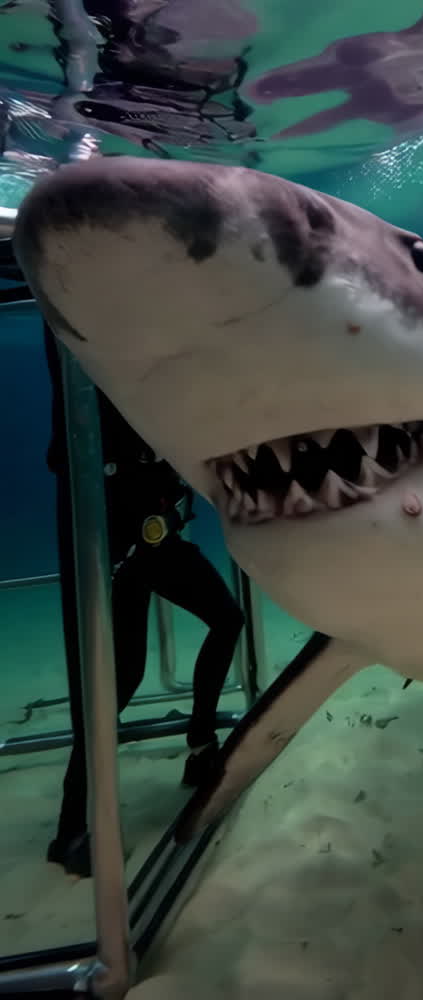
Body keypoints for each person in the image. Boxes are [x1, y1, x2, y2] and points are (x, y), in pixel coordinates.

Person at [43, 325, 245, 878]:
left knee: (227, 618)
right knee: (119, 677)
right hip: (103, 537)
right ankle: (70, 829)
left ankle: (201, 743)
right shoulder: (92, 362)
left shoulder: (159, 378)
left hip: (156, 534)